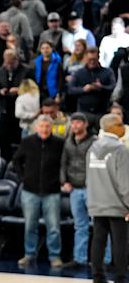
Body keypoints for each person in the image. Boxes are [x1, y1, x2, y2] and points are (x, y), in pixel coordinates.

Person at [12, 115, 65, 268]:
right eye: (41, 126)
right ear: (36, 128)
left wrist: (60, 180)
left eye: (47, 127)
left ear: (51, 128)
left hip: (52, 191)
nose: (44, 129)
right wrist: (23, 177)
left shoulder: (59, 143)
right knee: (30, 225)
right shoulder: (27, 142)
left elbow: (64, 163)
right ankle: (29, 254)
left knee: (54, 226)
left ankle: (55, 256)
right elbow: (16, 160)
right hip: (30, 190)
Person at [86, 113, 129, 283]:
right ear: (111, 128)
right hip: (117, 204)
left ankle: (97, 279)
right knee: (120, 243)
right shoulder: (120, 150)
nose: (123, 127)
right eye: (120, 124)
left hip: (96, 202)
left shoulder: (92, 148)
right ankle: (120, 281)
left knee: (98, 241)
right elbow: (125, 182)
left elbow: (89, 178)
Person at [61, 112, 96, 269]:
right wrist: (64, 181)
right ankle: (79, 258)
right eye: (73, 122)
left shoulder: (94, 141)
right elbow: (63, 163)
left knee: (100, 225)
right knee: (79, 225)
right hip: (75, 188)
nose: (75, 125)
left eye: (78, 123)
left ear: (85, 124)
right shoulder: (68, 141)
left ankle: (104, 259)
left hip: (92, 189)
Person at [69, 47, 115, 117]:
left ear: (98, 58)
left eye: (94, 60)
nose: (92, 62)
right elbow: (71, 89)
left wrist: (101, 87)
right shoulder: (78, 73)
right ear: (85, 58)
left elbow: (113, 87)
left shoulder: (108, 72)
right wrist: (83, 89)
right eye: (90, 59)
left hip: (102, 111)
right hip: (83, 111)